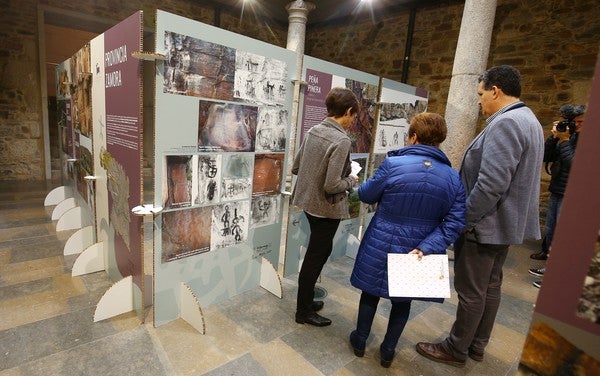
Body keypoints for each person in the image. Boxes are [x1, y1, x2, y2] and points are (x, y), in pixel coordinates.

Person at [416, 65, 544, 367]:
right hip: (503, 224)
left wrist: (462, 220)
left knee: (471, 290)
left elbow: (491, 184)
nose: (479, 100)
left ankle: (456, 348)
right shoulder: (530, 120)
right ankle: (476, 344)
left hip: (486, 225)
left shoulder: (507, 123)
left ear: (495, 90)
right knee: (490, 286)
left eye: (480, 94)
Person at [349, 112, 466, 368]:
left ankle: (359, 341)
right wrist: (427, 247)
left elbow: (367, 195)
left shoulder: (393, 165)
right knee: (403, 301)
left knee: (371, 293)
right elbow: (455, 222)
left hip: (382, 238)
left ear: (413, 137)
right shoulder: (453, 178)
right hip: (418, 246)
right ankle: (388, 352)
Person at [291, 87, 359, 327]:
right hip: (325, 208)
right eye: (354, 116)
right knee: (315, 258)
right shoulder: (341, 140)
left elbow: (296, 167)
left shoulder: (313, 131)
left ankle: (307, 302)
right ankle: (303, 311)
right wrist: (352, 180)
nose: (353, 121)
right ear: (349, 112)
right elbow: (332, 185)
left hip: (308, 203)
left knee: (315, 254)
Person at [529, 104, 586, 288]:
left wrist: (567, 140)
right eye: (575, 122)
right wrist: (554, 138)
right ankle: (549, 265)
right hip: (558, 190)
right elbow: (546, 155)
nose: (577, 125)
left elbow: (576, 164)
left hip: (571, 194)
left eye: (581, 122)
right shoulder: (571, 138)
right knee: (552, 232)